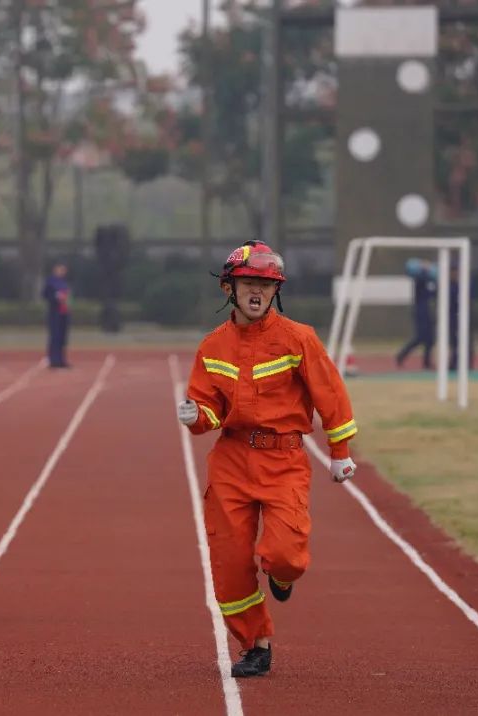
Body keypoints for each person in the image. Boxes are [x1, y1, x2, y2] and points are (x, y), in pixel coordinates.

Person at [176, 240, 359, 678]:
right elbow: (210, 410)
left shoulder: (299, 339)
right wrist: (195, 416)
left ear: (275, 290)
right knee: (230, 561)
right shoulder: (212, 347)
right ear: (229, 289)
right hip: (233, 461)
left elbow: (330, 395)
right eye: (248, 283)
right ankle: (256, 644)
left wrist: (340, 452)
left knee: (287, 557)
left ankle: (280, 578)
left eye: (265, 284)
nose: (256, 292)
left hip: (285, 461)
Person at [395, 258, 436, 370]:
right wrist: (425, 268)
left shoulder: (427, 279)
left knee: (430, 339)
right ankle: (401, 356)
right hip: (420, 311)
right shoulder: (420, 279)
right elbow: (426, 281)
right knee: (420, 338)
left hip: (426, 310)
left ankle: (427, 363)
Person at [43, 262, 72, 368]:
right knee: (55, 336)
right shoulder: (51, 282)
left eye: (64, 270)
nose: (62, 272)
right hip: (55, 313)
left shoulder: (64, 282)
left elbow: (68, 296)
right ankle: (53, 360)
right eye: (60, 269)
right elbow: (45, 294)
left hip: (64, 312)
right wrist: (56, 297)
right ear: (55, 270)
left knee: (62, 338)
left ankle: (61, 359)